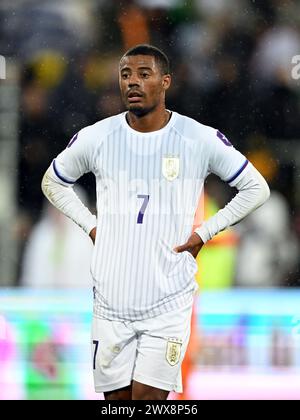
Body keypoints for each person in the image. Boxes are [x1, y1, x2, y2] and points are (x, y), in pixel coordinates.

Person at [41, 44, 270, 400]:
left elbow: (256, 188)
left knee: (149, 400)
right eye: (126, 74)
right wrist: (91, 225)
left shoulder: (197, 137)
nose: (132, 82)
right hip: (111, 303)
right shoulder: (97, 137)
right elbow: (52, 181)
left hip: (168, 301)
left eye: (143, 74)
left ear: (165, 82)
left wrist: (204, 232)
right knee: (117, 403)